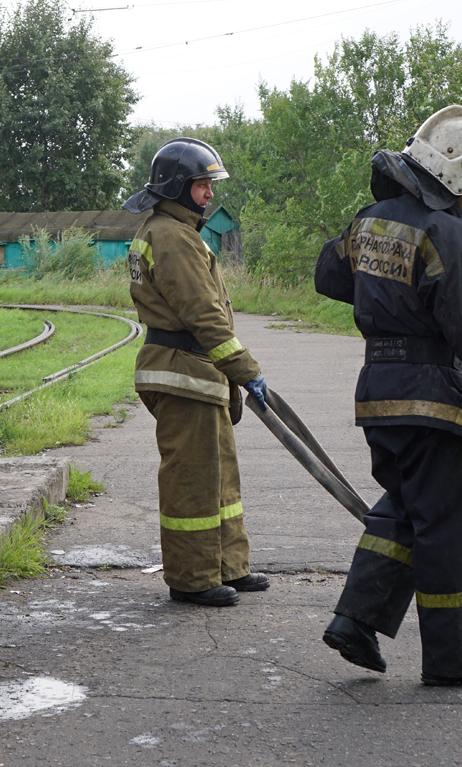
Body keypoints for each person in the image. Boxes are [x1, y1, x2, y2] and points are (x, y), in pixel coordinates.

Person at [313, 105, 462, 686]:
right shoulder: (448, 233)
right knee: (452, 530)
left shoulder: (369, 221)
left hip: (378, 398)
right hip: (435, 402)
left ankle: (356, 621)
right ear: (456, 172)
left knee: (407, 508)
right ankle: (460, 661)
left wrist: (388, 300)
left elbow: (329, 275)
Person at [124, 137, 271, 607]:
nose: (210, 194)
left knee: (219, 477)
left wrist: (231, 375)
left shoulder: (177, 232)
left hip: (198, 375)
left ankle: (228, 566)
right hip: (182, 373)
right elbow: (204, 315)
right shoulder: (169, 236)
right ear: (178, 186)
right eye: (203, 184)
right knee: (191, 481)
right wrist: (245, 370)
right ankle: (192, 578)